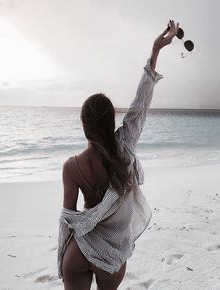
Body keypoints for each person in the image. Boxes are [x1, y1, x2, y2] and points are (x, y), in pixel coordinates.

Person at [58, 20, 179, 290]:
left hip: (79, 251)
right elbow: (140, 104)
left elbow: (68, 218)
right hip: (111, 253)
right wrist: (155, 50)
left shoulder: (71, 167)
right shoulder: (124, 149)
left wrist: (62, 258)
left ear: (84, 126)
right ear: (112, 123)